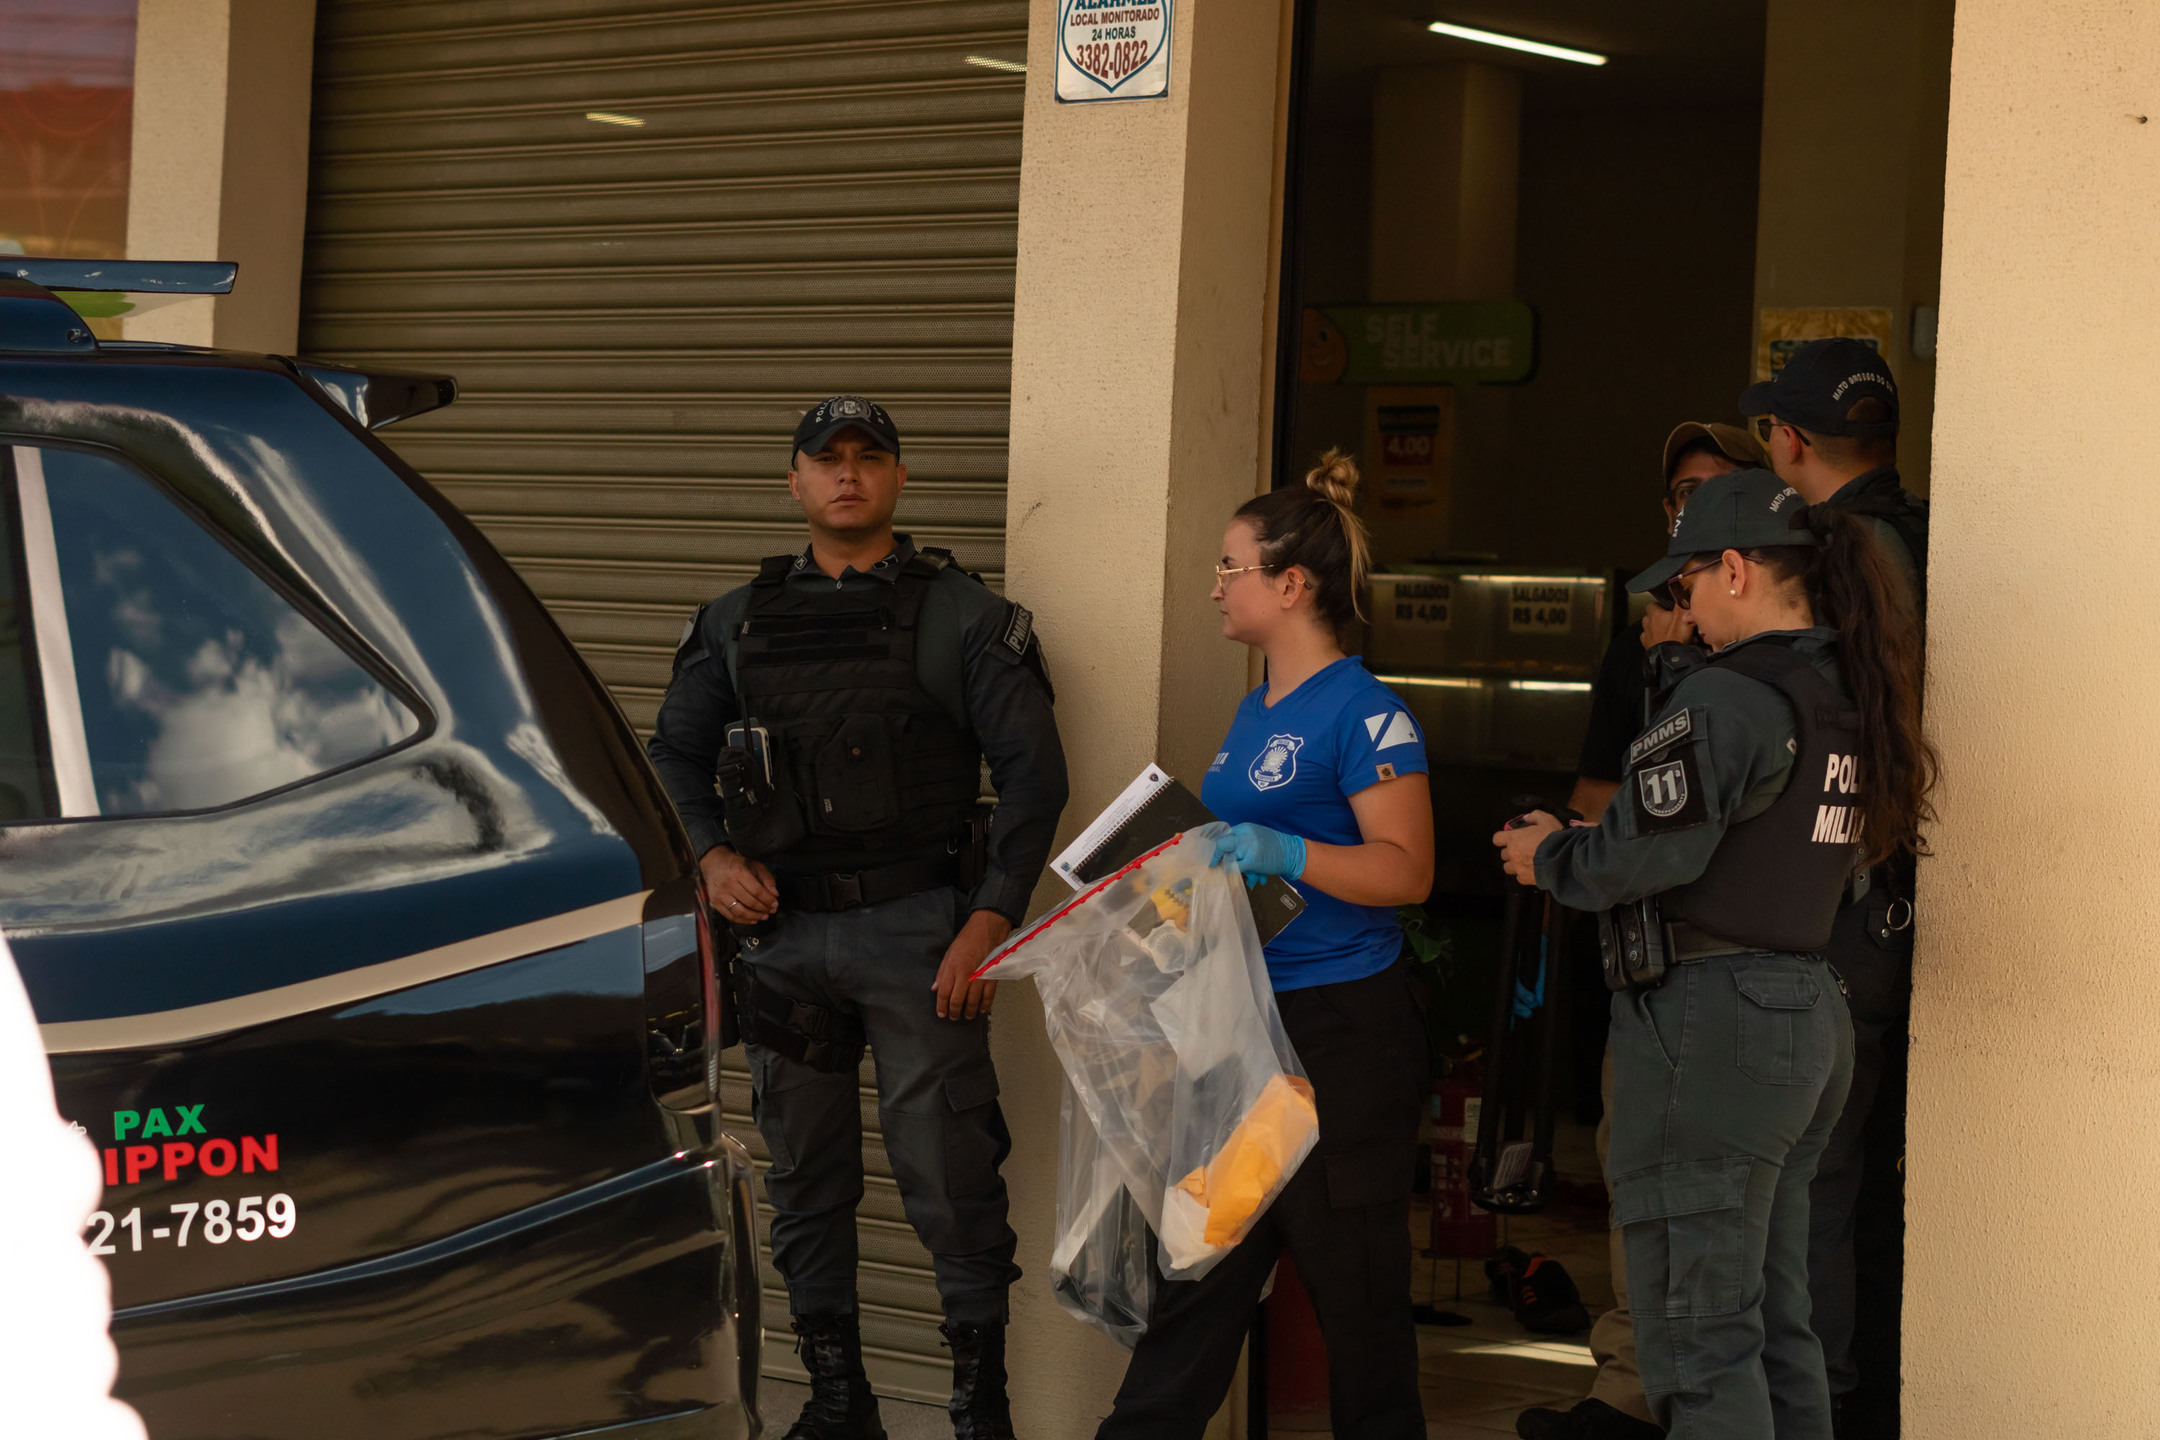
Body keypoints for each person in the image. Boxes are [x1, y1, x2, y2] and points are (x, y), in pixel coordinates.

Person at [647, 396, 1068, 1440]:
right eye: (825, 459)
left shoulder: (961, 616)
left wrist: (991, 920)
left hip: (921, 935)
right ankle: (840, 1405)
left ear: (899, 480)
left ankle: (982, 1413)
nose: (847, 475)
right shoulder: (735, 620)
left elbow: (1033, 779)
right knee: (806, 1180)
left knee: (951, 1177)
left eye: (868, 457)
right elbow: (673, 755)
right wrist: (711, 857)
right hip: (783, 941)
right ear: (793, 481)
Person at [1493, 468, 1938, 1439]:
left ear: (1735, 569)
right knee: (1779, 1330)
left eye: (1687, 584)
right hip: (1802, 1013)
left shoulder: (1733, 697)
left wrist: (1549, 854)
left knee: (1698, 1337)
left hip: (1713, 1022)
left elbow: (1647, 851)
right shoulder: (1845, 691)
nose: (1683, 612)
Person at [1094, 451, 1435, 1440]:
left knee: (1358, 1303)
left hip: (1341, 1037)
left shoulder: (1366, 712)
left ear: (1292, 585)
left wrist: (1287, 847)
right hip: (1240, 1029)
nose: (1214, 585)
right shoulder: (1255, 713)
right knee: (1197, 1280)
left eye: (1230, 566)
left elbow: (1405, 870)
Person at [1522, 418, 1765, 1440]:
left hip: (1740, 979)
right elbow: (1596, 797)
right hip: (1639, 952)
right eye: (1675, 493)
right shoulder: (1639, 648)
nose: (1685, 509)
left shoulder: (1769, 675)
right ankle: (1625, 1389)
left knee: (1728, 1219)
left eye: (1709, 490)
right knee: (1635, 1181)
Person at [1744, 340, 1928, 1439]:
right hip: (1900, 904)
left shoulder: (1839, 550)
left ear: (1791, 440)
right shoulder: (1926, 529)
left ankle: (1816, 1412)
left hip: (1840, 906)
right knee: (1862, 1186)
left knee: (1808, 1182)